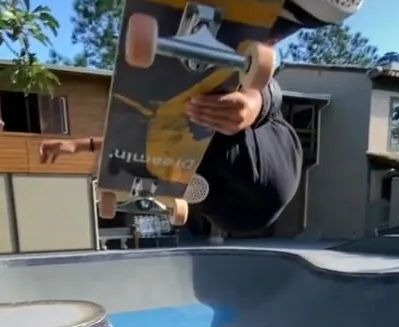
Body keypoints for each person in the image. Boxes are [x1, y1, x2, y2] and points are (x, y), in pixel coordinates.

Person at [39, 82, 302, 235]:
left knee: (212, 125)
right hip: (258, 193)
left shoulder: (192, 140)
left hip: (237, 210)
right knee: (231, 111)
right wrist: (256, 100)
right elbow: (270, 90)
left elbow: (130, 146)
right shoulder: (245, 151)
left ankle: (180, 183)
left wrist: (77, 145)